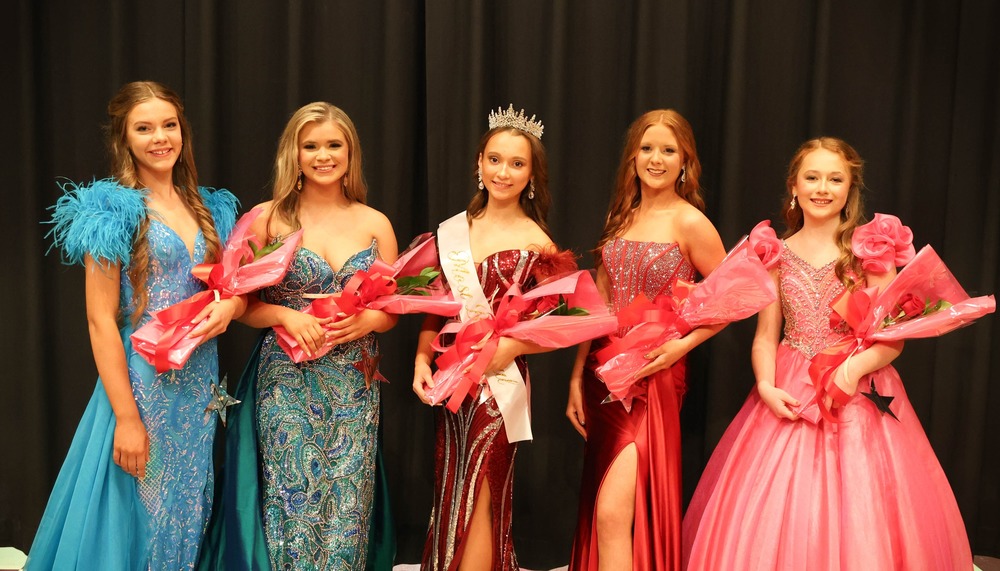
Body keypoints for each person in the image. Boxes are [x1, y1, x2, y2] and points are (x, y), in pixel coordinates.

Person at [682, 138, 973, 569]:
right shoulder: (775, 254)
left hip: (857, 385)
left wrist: (851, 372)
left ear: (850, 189)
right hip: (791, 386)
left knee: (862, 504)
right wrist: (765, 385)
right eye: (812, 177)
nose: (823, 188)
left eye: (835, 179)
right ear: (794, 188)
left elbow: (893, 337)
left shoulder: (869, 250)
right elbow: (766, 335)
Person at [29, 81, 242, 570]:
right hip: (144, 387)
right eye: (143, 128)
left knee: (189, 506)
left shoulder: (212, 208)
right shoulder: (112, 210)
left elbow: (229, 289)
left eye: (169, 125)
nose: (159, 137)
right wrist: (126, 417)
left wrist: (229, 306)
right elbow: (100, 319)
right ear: (124, 139)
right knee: (136, 507)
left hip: (201, 388)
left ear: (182, 131)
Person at [198, 102, 398, 571]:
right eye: (311, 146)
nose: (323, 155)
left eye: (334, 145)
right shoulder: (267, 218)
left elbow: (391, 309)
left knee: (348, 501)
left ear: (351, 153)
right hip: (287, 377)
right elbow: (239, 303)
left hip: (354, 383)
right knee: (292, 495)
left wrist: (371, 322)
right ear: (295, 152)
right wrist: (286, 317)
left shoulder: (376, 223)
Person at [412, 105, 577, 571]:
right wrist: (422, 360)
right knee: (452, 483)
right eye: (495, 159)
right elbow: (436, 305)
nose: (504, 171)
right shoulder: (452, 232)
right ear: (479, 164)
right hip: (452, 378)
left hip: (497, 383)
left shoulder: (538, 243)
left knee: (484, 487)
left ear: (532, 175)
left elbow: (562, 325)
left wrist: (512, 347)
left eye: (517, 163)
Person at [566, 109, 727, 570]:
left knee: (614, 511)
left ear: (685, 161)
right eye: (647, 148)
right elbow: (599, 298)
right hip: (603, 374)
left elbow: (733, 301)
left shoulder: (690, 222)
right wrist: (577, 374)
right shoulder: (622, 215)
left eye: (668, 150)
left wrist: (680, 347)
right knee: (604, 507)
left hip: (654, 376)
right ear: (633, 156)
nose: (656, 159)